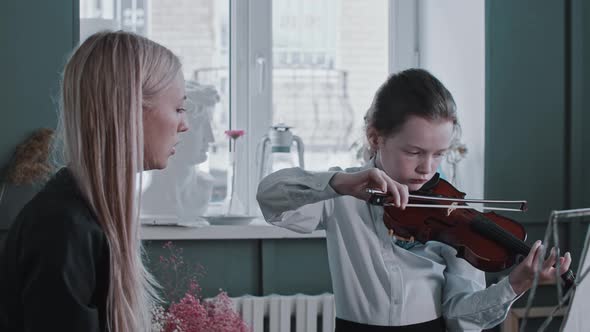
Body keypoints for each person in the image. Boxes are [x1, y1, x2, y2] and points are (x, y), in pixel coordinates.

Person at [257, 68, 572, 332]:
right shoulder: (341, 193)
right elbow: (270, 199)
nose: (427, 168)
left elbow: (461, 317)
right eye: (414, 152)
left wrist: (514, 285)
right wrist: (338, 183)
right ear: (375, 138)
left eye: (439, 155)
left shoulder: (454, 212)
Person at [0, 31, 189, 331]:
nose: (185, 124)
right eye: (179, 108)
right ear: (130, 110)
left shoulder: (84, 216)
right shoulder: (62, 229)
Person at [141, 82, 218, 226]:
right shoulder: (144, 196)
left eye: (211, 125)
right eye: (200, 125)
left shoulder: (204, 188)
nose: (211, 138)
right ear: (175, 128)